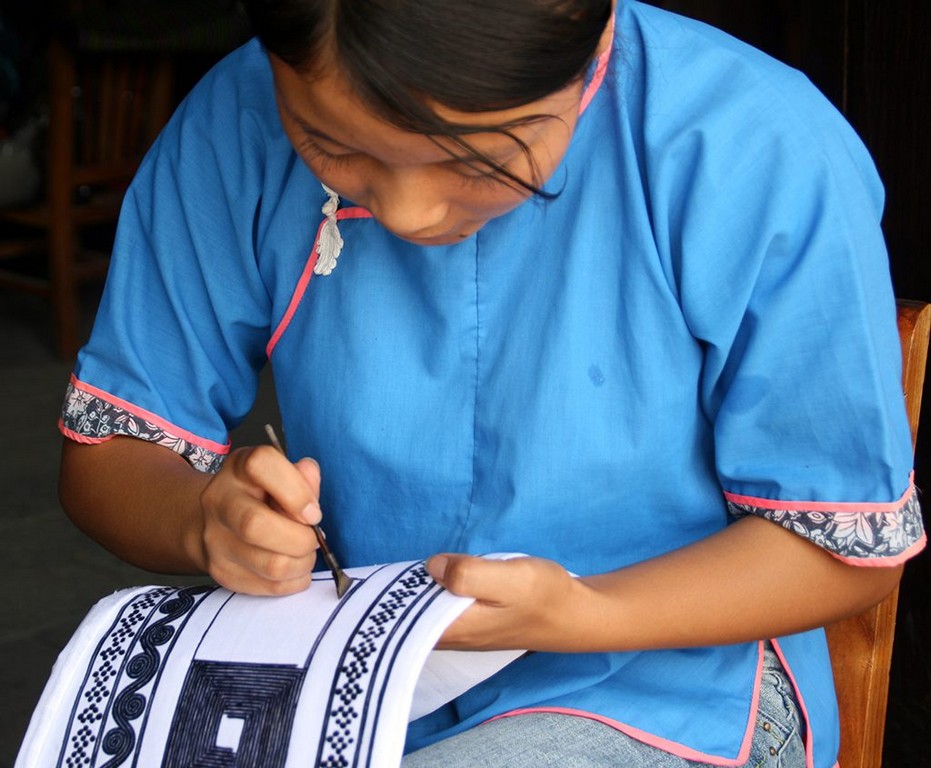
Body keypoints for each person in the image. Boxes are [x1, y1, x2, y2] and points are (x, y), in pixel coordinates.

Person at [57, 0, 925, 766]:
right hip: (357, 690)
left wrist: (578, 615)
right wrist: (201, 518)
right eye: (331, 146)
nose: (407, 213)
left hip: (671, 693)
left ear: (588, 50)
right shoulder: (233, 121)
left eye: (476, 163)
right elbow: (110, 458)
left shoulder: (752, 145)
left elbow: (844, 552)